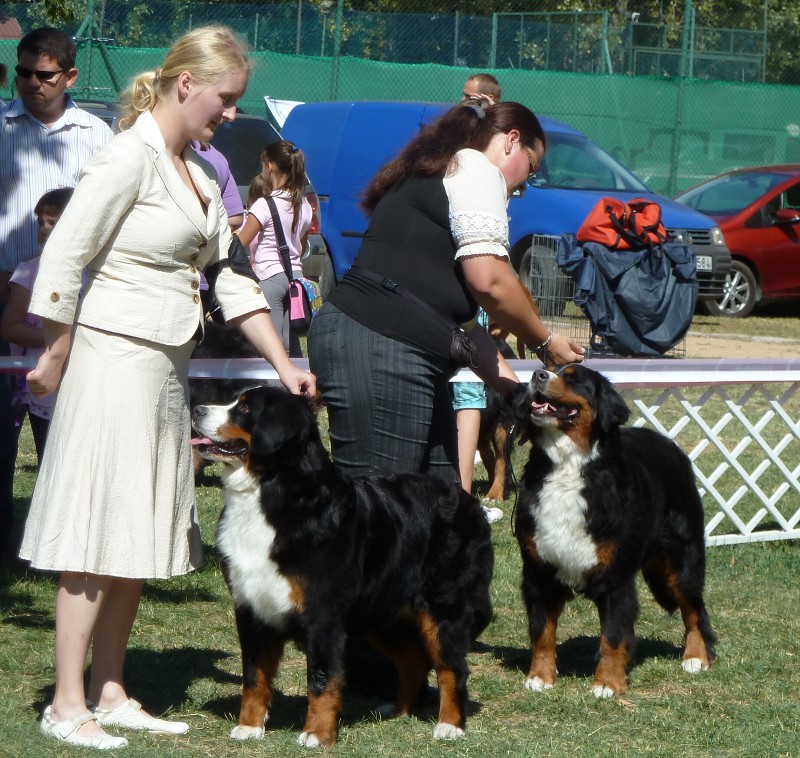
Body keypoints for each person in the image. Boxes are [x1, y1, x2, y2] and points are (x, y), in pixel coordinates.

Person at [18, 25, 315, 750]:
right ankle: (65, 705)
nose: (231, 115)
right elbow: (65, 253)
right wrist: (56, 351)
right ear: (188, 85)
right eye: (226, 99)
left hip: (163, 374)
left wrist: (283, 362)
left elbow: (233, 276)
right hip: (111, 364)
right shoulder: (127, 157)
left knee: (136, 535)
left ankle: (111, 691)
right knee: (92, 538)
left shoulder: (200, 171)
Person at [308, 100, 583, 490]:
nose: (524, 186)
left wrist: (512, 391)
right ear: (511, 141)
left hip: (384, 342)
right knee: (383, 508)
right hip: (378, 342)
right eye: (531, 167)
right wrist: (545, 339)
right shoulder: (475, 169)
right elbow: (491, 281)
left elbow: (469, 330)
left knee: (442, 503)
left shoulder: (450, 175)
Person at [0, 27, 113, 564]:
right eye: (22, 72)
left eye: (43, 75)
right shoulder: (0, 126)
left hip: (71, 307)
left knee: (63, 436)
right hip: (4, 293)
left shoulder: (98, 136)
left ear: (69, 76)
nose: (29, 83)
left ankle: (60, 544)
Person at [0, 187, 74, 463]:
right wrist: (58, 339)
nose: (44, 229)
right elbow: (10, 327)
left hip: (86, 382)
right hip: (44, 388)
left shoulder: (98, 273)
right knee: (50, 462)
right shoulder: (29, 272)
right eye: (40, 222)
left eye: (53, 222)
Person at [236, 140, 312, 358]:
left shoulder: (264, 204)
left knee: (272, 350)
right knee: (293, 348)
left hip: (269, 276)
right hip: (296, 279)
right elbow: (301, 245)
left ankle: (274, 391)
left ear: (269, 165)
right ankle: (297, 390)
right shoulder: (304, 205)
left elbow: (241, 243)